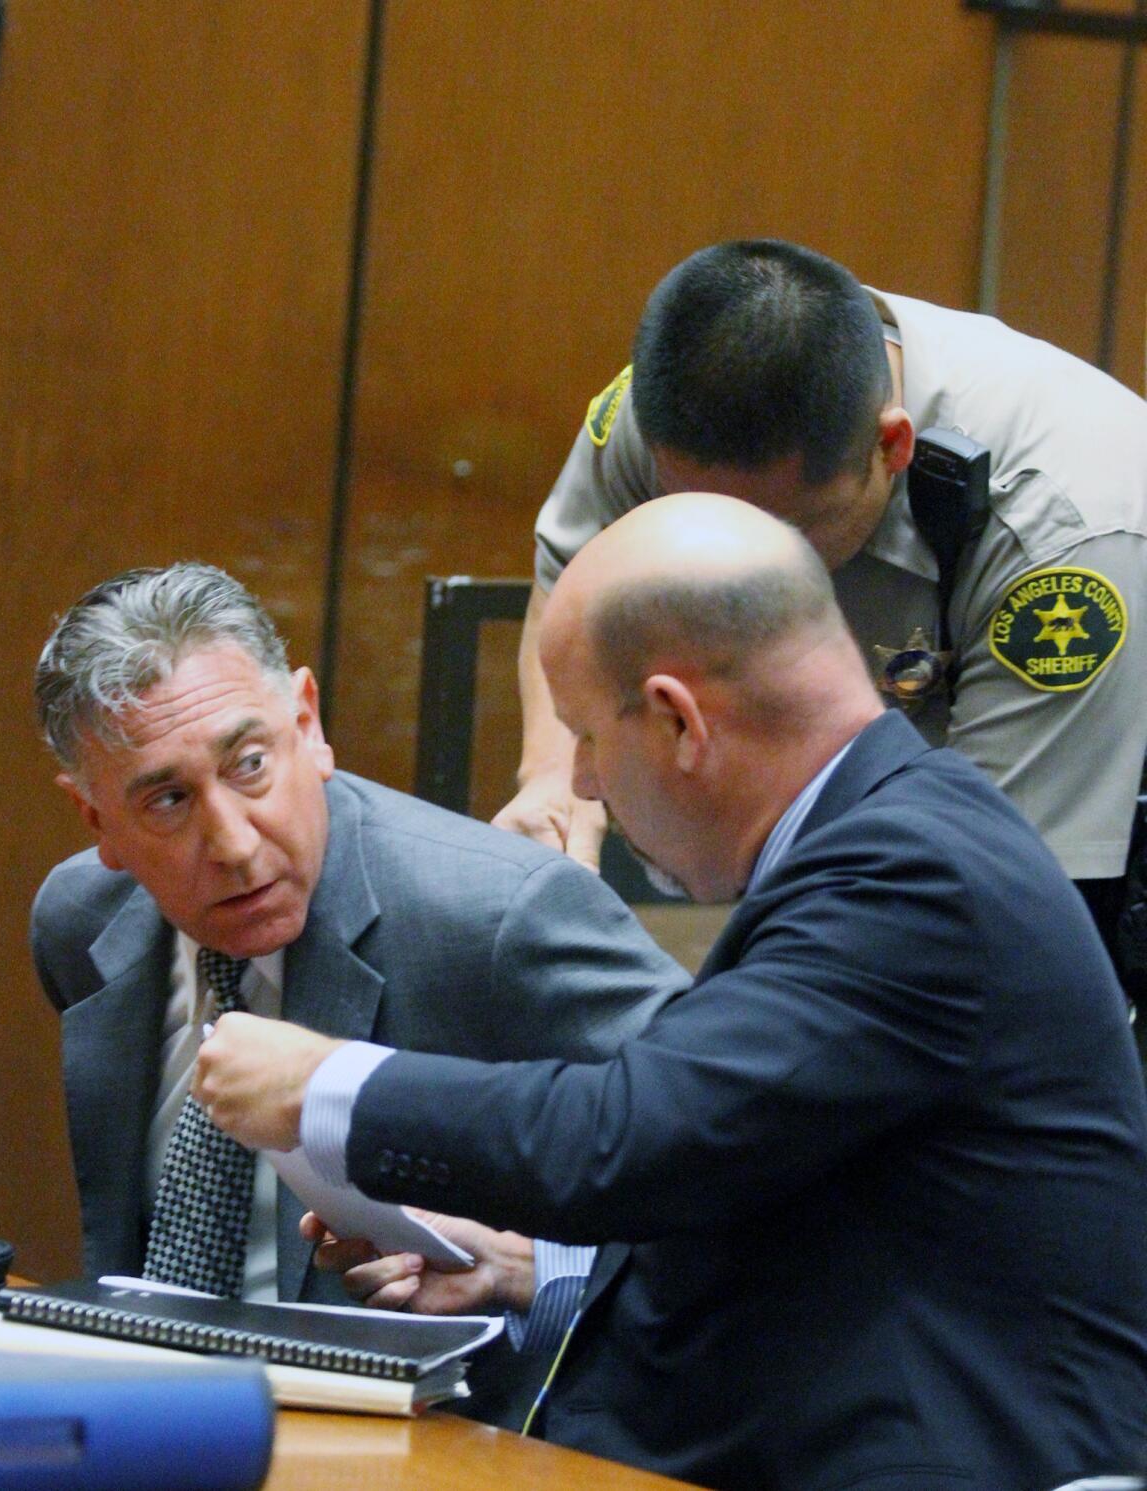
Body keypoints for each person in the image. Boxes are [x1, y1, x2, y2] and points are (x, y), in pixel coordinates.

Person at [198, 494, 1147, 1491]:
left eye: (585, 738)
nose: (587, 784)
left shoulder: (911, 875)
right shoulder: (889, 842)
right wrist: (525, 1274)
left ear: (677, 721)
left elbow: (631, 1133)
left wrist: (326, 1086)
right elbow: (788, 1191)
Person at [30, 561, 688, 1422]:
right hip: (147, 1429)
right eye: (167, 799)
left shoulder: (497, 917)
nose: (232, 841)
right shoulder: (81, 922)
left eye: (251, 763)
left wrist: (535, 1269)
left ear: (309, 722)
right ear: (96, 820)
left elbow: (740, 1150)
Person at [495, 238, 1147, 960]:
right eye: (696, 516)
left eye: (786, 529)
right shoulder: (660, 416)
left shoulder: (1058, 539)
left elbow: (998, 897)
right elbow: (573, 582)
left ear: (890, 447)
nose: (738, 576)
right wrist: (554, 783)